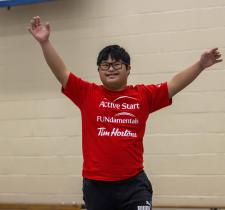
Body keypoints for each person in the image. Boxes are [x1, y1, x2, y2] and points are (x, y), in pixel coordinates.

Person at [28, 16, 222, 210]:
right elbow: (62, 72)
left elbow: (173, 85)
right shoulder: (87, 93)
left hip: (134, 185)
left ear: (128, 69)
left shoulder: (143, 95)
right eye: (105, 65)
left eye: (117, 64)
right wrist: (45, 42)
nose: (110, 69)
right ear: (99, 70)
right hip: (97, 186)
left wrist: (200, 65)